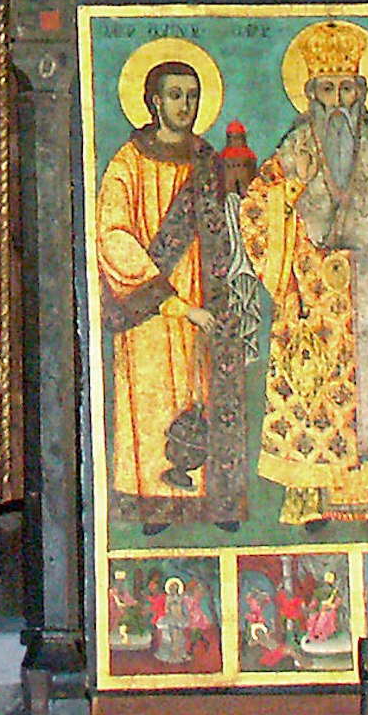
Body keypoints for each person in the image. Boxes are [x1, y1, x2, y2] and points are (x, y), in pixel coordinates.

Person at [238, 20, 368, 528]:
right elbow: (258, 206)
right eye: (328, 89)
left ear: (362, 93)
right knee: (312, 395)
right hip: (312, 291)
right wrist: (286, 221)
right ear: (311, 94)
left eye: (347, 88)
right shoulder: (295, 148)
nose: (339, 99)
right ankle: (309, 500)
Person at [93, 48, 251, 530]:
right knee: (153, 400)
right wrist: (170, 300)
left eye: (193, 96)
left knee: (203, 393)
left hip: (206, 302)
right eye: (175, 95)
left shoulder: (210, 159)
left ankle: (214, 503)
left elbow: (236, 226)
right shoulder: (129, 163)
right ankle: (154, 502)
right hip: (152, 311)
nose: (185, 105)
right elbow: (112, 234)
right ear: (153, 102)